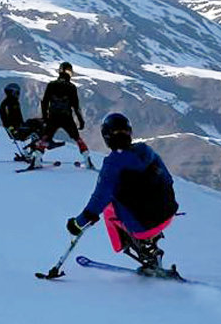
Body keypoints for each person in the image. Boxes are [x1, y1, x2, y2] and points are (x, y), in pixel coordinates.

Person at [66, 113, 178, 274]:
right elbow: (167, 180)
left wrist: (78, 224)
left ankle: (143, 249)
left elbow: (98, 200)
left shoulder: (112, 164)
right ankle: (148, 243)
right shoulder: (145, 150)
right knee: (129, 198)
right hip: (167, 214)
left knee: (109, 207)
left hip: (145, 226)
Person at [38, 62, 90, 162]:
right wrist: (81, 121)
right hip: (67, 117)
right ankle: (87, 159)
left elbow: (44, 102)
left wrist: (45, 117)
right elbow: (76, 106)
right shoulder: (71, 87)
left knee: (45, 137)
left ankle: (36, 158)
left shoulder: (51, 85)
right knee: (77, 138)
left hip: (52, 117)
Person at [0, 82, 47, 161]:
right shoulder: (8, 104)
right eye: (17, 93)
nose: (18, 95)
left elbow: (16, 120)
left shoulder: (11, 103)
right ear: (12, 92)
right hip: (17, 131)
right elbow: (7, 122)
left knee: (38, 122)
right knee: (37, 127)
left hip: (19, 128)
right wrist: (13, 130)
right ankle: (35, 153)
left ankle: (33, 152)